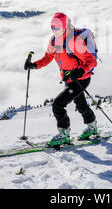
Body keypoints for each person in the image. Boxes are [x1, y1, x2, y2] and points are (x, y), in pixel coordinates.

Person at [24, 12, 98, 146]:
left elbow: (91, 61)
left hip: (81, 79)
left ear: (64, 27)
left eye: (57, 27)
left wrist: (80, 71)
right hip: (69, 79)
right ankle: (92, 126)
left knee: (58, 104)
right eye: (52, 27)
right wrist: (34, 65)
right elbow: (48, 57)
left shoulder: (74, 41)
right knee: (81, 105)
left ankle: (64, 134)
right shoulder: (53, 40)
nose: (54, 30)